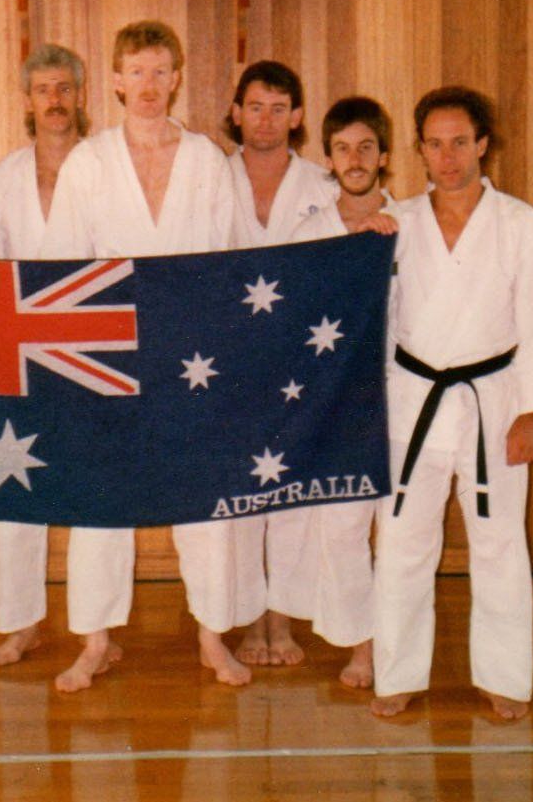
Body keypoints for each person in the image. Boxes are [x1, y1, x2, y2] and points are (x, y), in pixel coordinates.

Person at [40, 20, 256, 691]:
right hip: (108, 351)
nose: (149, 86)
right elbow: (61, 267)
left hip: (192, 352)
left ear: (178, 77)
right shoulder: (88, 162)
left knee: (203, 497)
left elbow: (228, 261)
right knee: (101, 498)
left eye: (161, 71)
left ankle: (212, 635)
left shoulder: (205, 160)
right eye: (136, 71)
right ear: (113, 80)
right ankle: (95, 639)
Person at [370, 85, 533, 721]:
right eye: (434, 143)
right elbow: (371, 320)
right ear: (420, 150)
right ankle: (396, 675)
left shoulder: (520, 224)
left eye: (461, 142)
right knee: (402, 541)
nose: (448, 156)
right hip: (412, 401)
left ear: (483, 144)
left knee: (499, 542)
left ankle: (505, 678)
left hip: (495, 401)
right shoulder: (395, 224)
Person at [276, 95, 403, 688]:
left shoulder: (411, 224)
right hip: (335, 400)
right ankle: (362, 646)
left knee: (399, 529)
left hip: (403, 393)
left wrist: (385, 244)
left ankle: (398, 640)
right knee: (344, 526)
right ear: (328, 157)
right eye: (344, 149)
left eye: (367, 148)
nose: (355, 159)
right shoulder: (311, 231)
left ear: (384, 155)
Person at [219, 61, 339, 670]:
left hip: (301, 356)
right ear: (236, 112)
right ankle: (245, 617)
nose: (265, 119)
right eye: (254, 106)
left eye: (278, 107)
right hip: (228, 358)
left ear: (297, 116)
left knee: (290, 488)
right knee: (241, 490)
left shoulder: (324, 184)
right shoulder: (209, 179)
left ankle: (282, 617)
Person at [0, 43, 92, 668]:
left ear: (81, 96)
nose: (55, 99)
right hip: (17, 348)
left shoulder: (104, 168)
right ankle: (21, 622)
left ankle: (96, 627)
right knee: (16, 484)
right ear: (28, 100)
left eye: (65, 88)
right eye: (44, 89)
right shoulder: (1, 179)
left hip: (91, 347)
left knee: (94, 486)